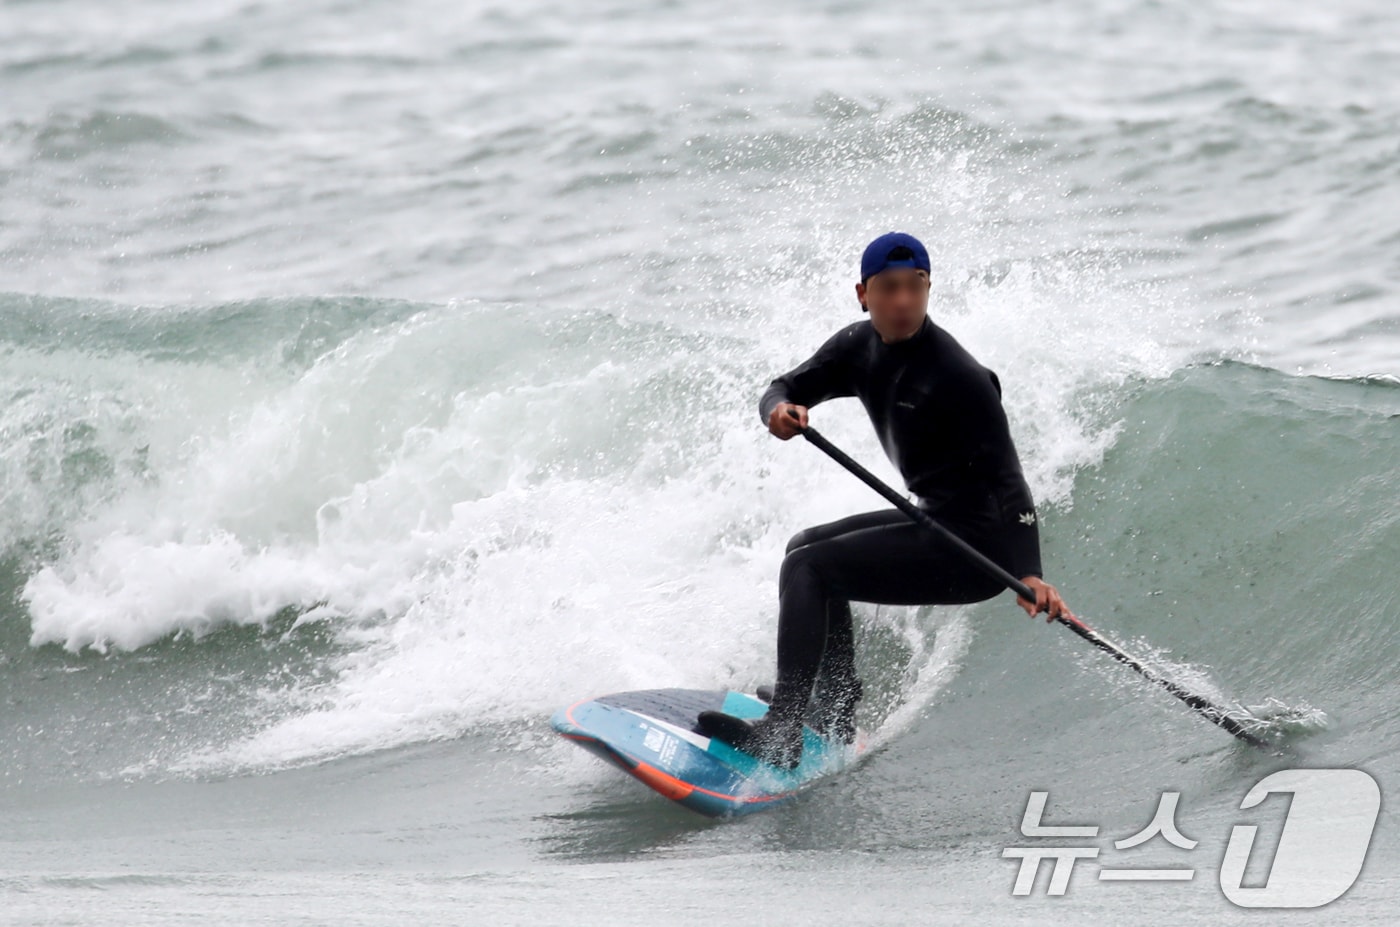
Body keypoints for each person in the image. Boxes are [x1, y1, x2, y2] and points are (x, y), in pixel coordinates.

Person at [696, 231, 1073, 769]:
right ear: (863, 293)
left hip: (975, 551)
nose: (902, 302)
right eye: (889, 288)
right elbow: (785, 386)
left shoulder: (960, 376)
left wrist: (1031, 573)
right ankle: (832, 701)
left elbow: (1010, 481)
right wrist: (778, 411)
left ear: (927, 289)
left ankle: (781, 732)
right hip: (936, 520)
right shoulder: (857, 347)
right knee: (803, 546)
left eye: (915, 287)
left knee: (812, 568)